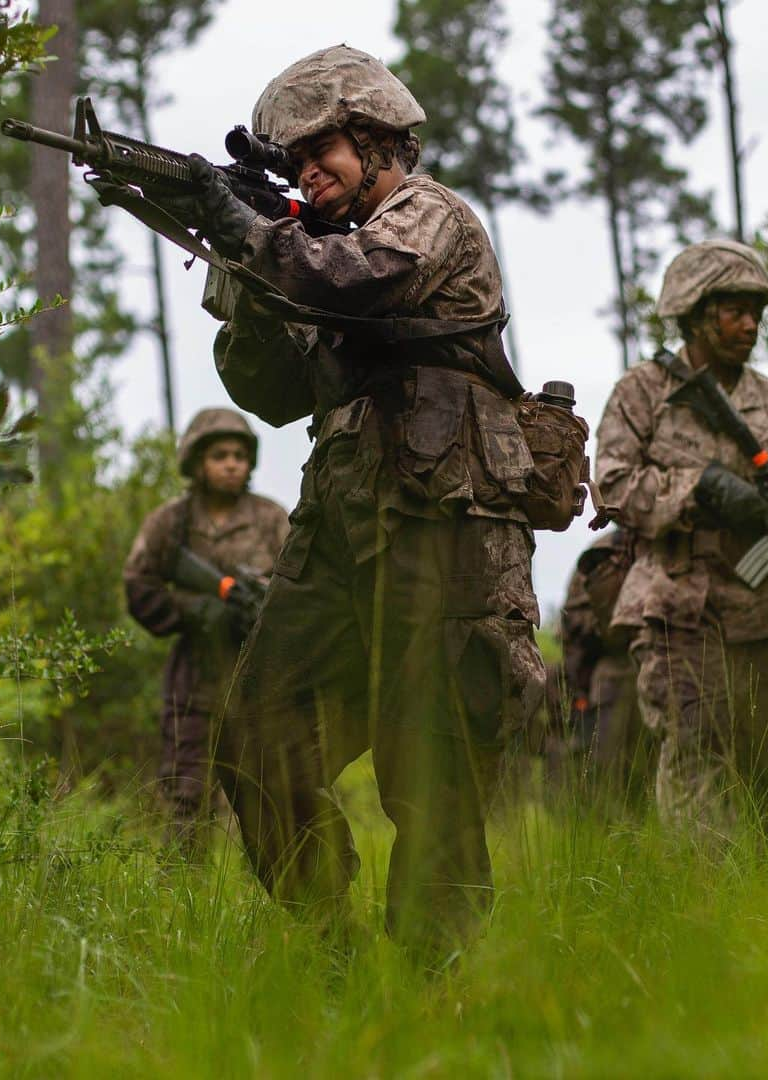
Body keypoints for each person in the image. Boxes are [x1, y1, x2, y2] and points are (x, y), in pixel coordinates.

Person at [165, 46, 545, 952]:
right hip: (340, 520)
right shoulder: (308, 249)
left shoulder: (430, 218)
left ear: (378, 141)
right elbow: (270, 388)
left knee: (436, 767)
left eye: (322, 152)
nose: (306, 174)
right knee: (257, 736)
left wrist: (255, 231)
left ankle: (432, 991)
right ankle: (329, 949)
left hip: (442, 519)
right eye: (290, 163)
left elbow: (357, 279)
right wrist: (242, 261)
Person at [594, 240, 768, 847]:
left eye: (756, 312)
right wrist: (701, 489)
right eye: (733, 310)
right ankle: (711, 908)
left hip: (764, 608)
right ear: (693, 312)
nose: (749, 324)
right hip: (678, 605)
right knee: (696, 753)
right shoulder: (643, 392)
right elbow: (612, 489)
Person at [123, 408, 289, 854]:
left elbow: (304, 591)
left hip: (258, 678)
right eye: (219, 455)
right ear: (197, 462)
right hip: (193, 675)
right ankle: (183, 898)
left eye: (239, 454)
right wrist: (194, 610)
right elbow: (139, 584)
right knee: (186, 789)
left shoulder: (273, 520)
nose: (232, 463)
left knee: (267, 790)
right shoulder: (171, 521)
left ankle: (272, 898)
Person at [551, 528, 654, 810]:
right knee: (610, 774)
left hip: (674, 661)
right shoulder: (608, 548)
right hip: (617, 667)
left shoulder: (673, 538)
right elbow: (573, 621)